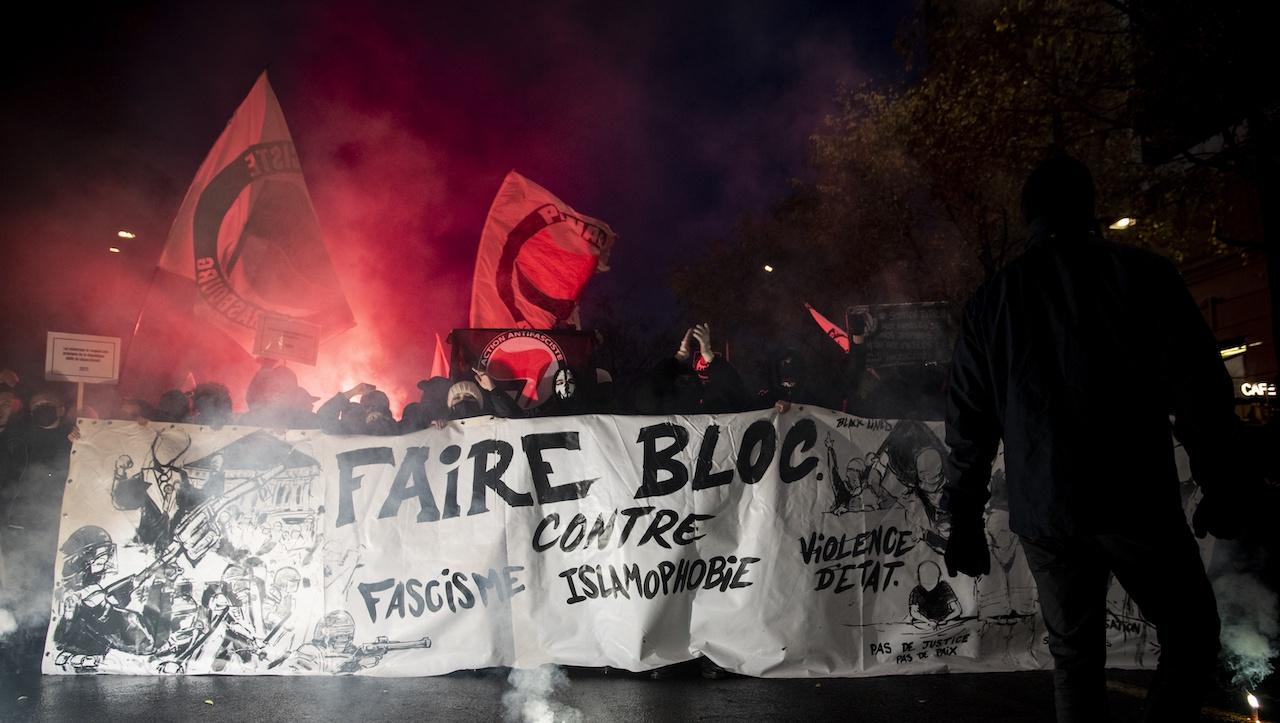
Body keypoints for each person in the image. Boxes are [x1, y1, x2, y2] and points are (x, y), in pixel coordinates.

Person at [941, 156, 1254, 722]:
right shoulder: (1146, 276)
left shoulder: (993, 300)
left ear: (1028, 216)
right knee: (1191, 635)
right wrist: (1224, 485)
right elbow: (1201, 394)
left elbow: (969, 422)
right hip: (1134, 498)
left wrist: (963, 519)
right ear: (1091, 208)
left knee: (1076, 658)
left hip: (1044, 510)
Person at [634, 323, 749, 414]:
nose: (687, 384)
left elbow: (737, 395)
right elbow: (648, 390)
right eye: (681, 381)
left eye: (691, 381)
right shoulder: (658, 409)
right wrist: (679, 356)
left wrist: (708, 354)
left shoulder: (711, 410)